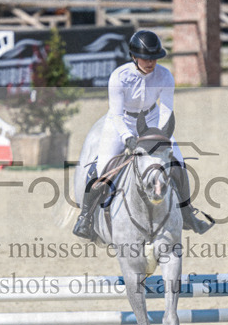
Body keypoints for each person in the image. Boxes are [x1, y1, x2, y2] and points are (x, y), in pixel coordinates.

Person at [73, 30, 212, 240]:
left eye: (154, 58)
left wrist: (162, 136)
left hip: (153, 121)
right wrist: (127, 137)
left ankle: (188, 212)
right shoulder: (119, 77)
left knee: (178, 163)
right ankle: (85, 217)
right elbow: (117, 115)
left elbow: (166, 111)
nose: (151, 62)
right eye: (146, 58)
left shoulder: (165, 76)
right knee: (102, 167)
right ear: (134, 57)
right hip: (121, 122)